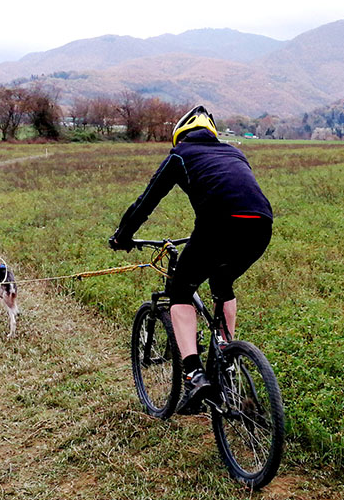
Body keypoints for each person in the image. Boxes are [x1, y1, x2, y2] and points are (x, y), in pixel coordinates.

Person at [110, 105, 273, 413]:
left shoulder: (180, 154)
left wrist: (122, 237)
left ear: (180, 135)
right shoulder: (235, 153)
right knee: (222, 280)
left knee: (180, 292)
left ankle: (195, 374)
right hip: (260, 225)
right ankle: (226, 356)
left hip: (218, 224)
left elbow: (145, 203)